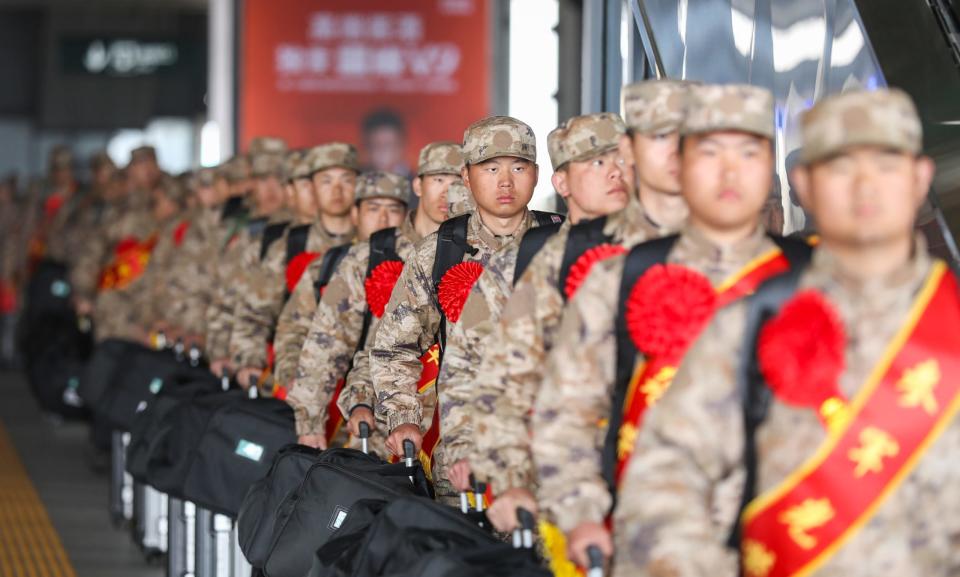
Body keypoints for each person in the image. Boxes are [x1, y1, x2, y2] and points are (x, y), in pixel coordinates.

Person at [615, 88, 957, 577]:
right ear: (805, 184)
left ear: (921, 178)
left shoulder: (951, 319)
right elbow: (662, 486)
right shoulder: (749, 326)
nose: (865, 187)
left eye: (886, 164)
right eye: (840, 166)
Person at [532, 83, 809, 570]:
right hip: (658, 546)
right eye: (709, 152)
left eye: (749, 152)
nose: (730, 171)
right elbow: (565, 414)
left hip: (795, 536)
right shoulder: (622, 276)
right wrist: (580, 513)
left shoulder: (817, 276)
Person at [371, 116, 546, 502]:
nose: (505, 181)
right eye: (491, 168)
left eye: (519, 167)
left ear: (536, 175)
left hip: (548, 456)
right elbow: (393, 347)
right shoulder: (440, 252)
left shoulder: (563, 244)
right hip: (466, 458)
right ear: (466, 177)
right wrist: (404, 418)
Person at [287, 142, 463, 453]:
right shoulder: (369, 255)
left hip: (455, 431)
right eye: (438, 180)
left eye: (457, 182)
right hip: (379, 426)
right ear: (418, 185)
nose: (447, 193)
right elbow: (327, 341)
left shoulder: (476, 254)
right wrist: (310, 423)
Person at [231, 143, 359, 389]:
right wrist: (250, 362)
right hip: (296, 374)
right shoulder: (289, 246)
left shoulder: (373, 245)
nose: (337, 191)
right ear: (311, 187)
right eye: (326, 181)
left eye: (346, 180)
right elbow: (254, 312)